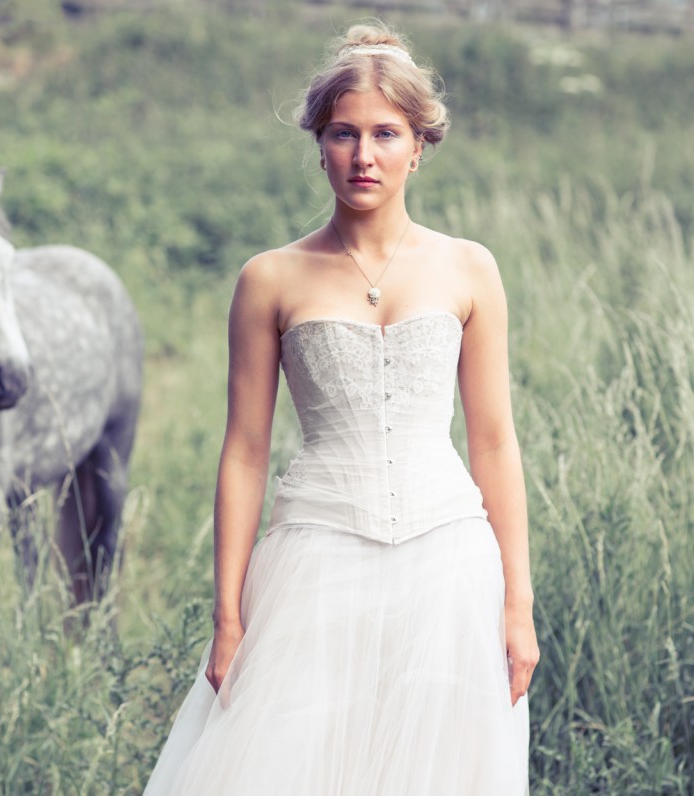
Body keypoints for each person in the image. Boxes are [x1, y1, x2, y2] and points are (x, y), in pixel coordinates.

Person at [144, 21, 538, 795]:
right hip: (314, 561)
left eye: (386, 134)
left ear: (419, 145)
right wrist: (228, 615)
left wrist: (517, 606)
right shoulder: (269, 279)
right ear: (318, 143)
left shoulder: (469, 268)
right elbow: (245, 452)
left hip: (449, 564)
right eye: (343, 133)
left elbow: (494, 442)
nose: (364, 155)